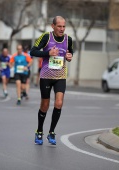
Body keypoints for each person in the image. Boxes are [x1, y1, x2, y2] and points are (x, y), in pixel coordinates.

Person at [30, 16, 73, 145]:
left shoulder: (68, 39)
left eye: (64, 26)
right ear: (53, 26)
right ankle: (39, 131)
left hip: (60, 76)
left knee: (59, 103)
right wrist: (47, 53)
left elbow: (70, 53)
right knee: (45, 105)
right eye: (59, 26)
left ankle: (52, 132)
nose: (62, 29)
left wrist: (69, 56)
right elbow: (33, 51)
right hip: (46, 76)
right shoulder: (46, 37)